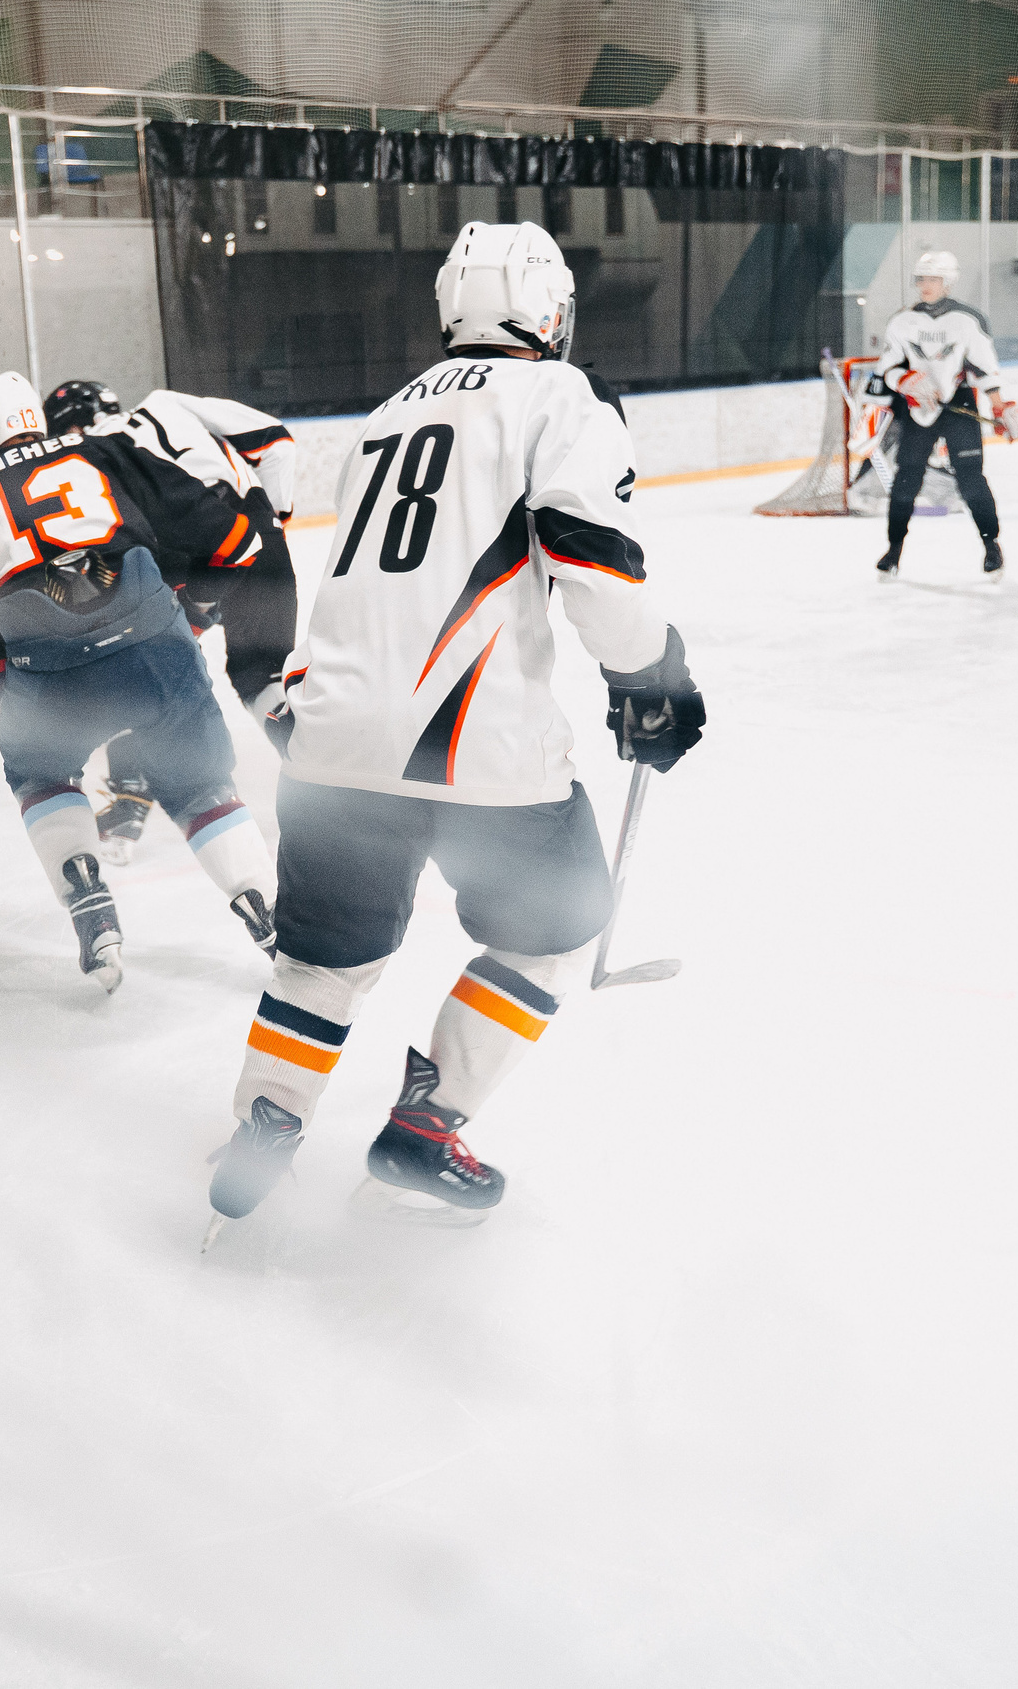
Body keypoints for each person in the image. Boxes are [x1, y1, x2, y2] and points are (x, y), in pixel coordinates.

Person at [200, 221, 707, 1245]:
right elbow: (595, 565)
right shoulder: (561, 396)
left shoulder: (386, 415)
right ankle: (423, 1133)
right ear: (551, 310)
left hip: (332, 740)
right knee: (555, 936)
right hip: (478, 749)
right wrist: (651, 675)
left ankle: (264, 1127)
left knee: (321, 962)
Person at [0, 370, 277, 992]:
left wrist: (3, 708)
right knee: (200, 785)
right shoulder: (109, 453)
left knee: (40, 776)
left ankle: (90, 906)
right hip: (154, 650)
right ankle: (263, 906)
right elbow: (236, 538)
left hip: (50, 675)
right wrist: (195, 609)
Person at [43, 380, 299, 864]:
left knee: (136, 669)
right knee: (259, 674)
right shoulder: (168, 402)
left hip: (187, 554)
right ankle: (328, 778)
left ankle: (128, 803)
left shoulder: (94, 455)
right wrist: (275, 524)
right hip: (255, 537)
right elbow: (276, 442)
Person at [868, 250, 1017, 581]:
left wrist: (999, 406)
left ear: (948, 282)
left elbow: (983, 367)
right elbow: (887, 368)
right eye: (921, 279)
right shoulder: (902, 321)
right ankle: (893, 551)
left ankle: (991, 545)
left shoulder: (967, 320)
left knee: (971, 479)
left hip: (957, 405)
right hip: (918, 408)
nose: (926, 285)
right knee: (906, 482)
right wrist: (905, 380)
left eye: (933, 279)